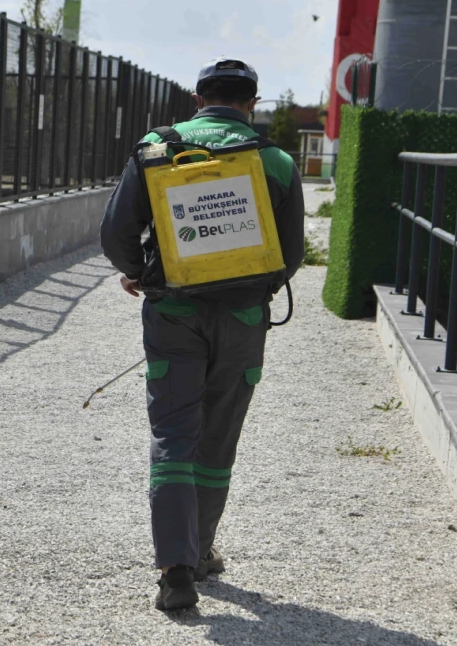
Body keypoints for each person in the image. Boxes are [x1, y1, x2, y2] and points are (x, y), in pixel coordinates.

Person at [99, 58, 305, 610]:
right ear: (252, 103)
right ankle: (203, 546)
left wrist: (140, 272)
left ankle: (175, 569)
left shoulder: (155, 149)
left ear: (198, 98)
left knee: (173, 436)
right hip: (241, 320)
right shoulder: (277, 162)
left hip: (173, 313)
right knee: (217, 440)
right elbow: (291, 257)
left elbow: (116, 232)